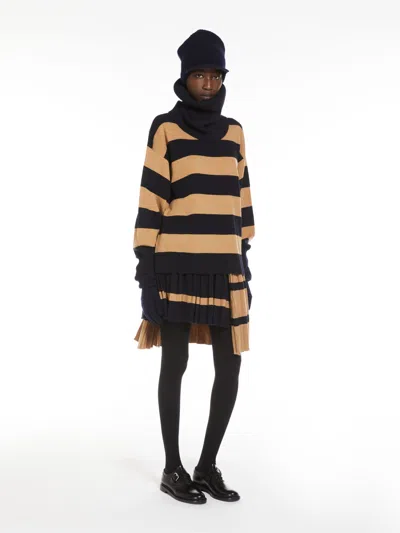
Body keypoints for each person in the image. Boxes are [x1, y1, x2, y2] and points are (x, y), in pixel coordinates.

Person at [132, 29, 255, 504]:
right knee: (176, 362)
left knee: (230, 367)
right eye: (200, 74)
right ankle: (172, 469)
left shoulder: (235, 132)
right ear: (185, 77)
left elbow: (241, 202)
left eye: (215, 75)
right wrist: (147, 274)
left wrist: (245, 265)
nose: (208, 83)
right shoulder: (165, 128)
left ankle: (205, 466)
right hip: (176, 265)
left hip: (225, 267)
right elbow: (151, 201)